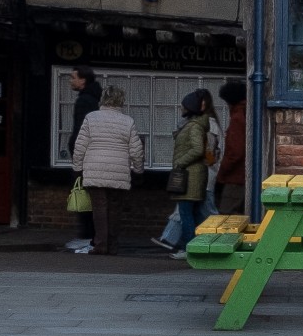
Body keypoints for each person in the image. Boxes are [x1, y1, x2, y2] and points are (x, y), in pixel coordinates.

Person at [69, 82, 144, 256]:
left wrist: (77, 168)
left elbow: (80, 146)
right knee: (115, 208)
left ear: (103, 99)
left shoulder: (91, 118)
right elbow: (136, 150)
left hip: (94, 169)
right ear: (121, 100)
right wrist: (138, 170)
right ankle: (112, 245)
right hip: (119, 171)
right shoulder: (128, 121)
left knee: (99, 208)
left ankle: (101, 244)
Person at [159, 89, 215, 256]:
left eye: (183, 106)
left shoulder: (194, 126)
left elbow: (197, 149)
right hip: (194, 175)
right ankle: (197, 247)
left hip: (190, 176)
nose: (181, 108)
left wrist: (180, 162)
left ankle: (188, 249)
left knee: (186, 215)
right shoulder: (194, 125)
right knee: (194, 214)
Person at [212, 77, 248, 218]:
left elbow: (235, 152)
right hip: (241, 176)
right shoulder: (245, 113)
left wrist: (222, 171)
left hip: (234, 177)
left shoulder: (237, 118)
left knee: (227, 216)